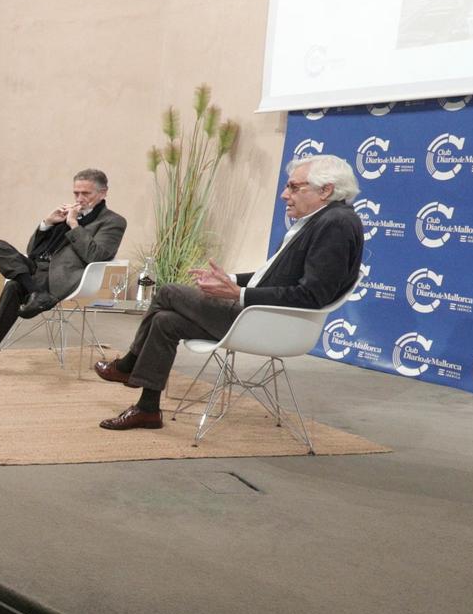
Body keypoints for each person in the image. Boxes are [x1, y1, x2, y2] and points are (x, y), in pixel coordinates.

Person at [94, 154, 365, 431]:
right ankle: (147, 410)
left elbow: (312, 295)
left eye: (295, 187)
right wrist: (229, 279)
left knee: (167, 292)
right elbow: (273, 276)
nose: (285, 195)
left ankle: (128, 365)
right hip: (259, 315)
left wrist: (238, 294)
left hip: (271, 323)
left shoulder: (336, 224)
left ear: (326, 190)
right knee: (165, 322)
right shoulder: (321, 219)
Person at [0, 169, 128, 374]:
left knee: (15, 286)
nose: (79, 198)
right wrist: (47, 223)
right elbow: (32, 250)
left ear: (103, 193)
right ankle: (36, 294)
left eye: (86, 194)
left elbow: (96, 255)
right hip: (36, 267)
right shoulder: (65, 214)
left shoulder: (113, 221)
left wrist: (74, 224)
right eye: (76, 193)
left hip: (60, 275)